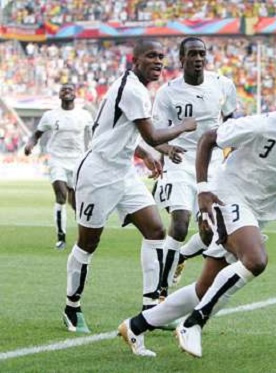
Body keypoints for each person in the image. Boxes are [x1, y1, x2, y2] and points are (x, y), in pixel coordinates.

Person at [117, 73, 276, 357]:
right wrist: (203, 189)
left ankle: (135, 325)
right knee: (255, 260)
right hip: (229, 196)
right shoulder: (262, 124)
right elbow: (208, 139)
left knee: (204, 289)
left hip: (258, 214)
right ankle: (193, 323)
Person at [62, 39, 197, 333]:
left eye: (161, 57)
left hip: (123, 172)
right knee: (88, 243)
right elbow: (150, 134)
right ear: (135, 60)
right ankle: (72, 307)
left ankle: (151, 309)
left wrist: (149, 154)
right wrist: (183, 128)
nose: (158, 62)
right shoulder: (133, 90)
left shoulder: (133, 87)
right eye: (151, 56)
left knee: (156, 230)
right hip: (98, 173)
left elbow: (120, 132)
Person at [150, 36, 237, 301]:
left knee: (212, 232)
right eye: (193, 54)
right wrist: (167, 150)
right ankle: (161, 290)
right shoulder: (168, 92)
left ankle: (182, 256)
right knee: (180, 221)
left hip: (211, 165)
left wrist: (231, 154)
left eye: (202, 54)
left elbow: (232, 123)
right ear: (182, 58)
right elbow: (155, 134)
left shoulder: (223, 85)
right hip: (180, 162)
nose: (198, 59)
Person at [24, 84, 94, 250]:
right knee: (61, 195)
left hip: (77, 161)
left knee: (76, 202)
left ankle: (82, 235)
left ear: (75, 94)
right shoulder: (50, 115)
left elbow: (93, 137)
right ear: (59, 95)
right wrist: (30, 144)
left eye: (70, 89)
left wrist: (93, 154)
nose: (67, 91)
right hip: (57, 160)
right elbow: (37, 134)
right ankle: (61, 236)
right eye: (63, 90)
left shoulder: (84, 115)